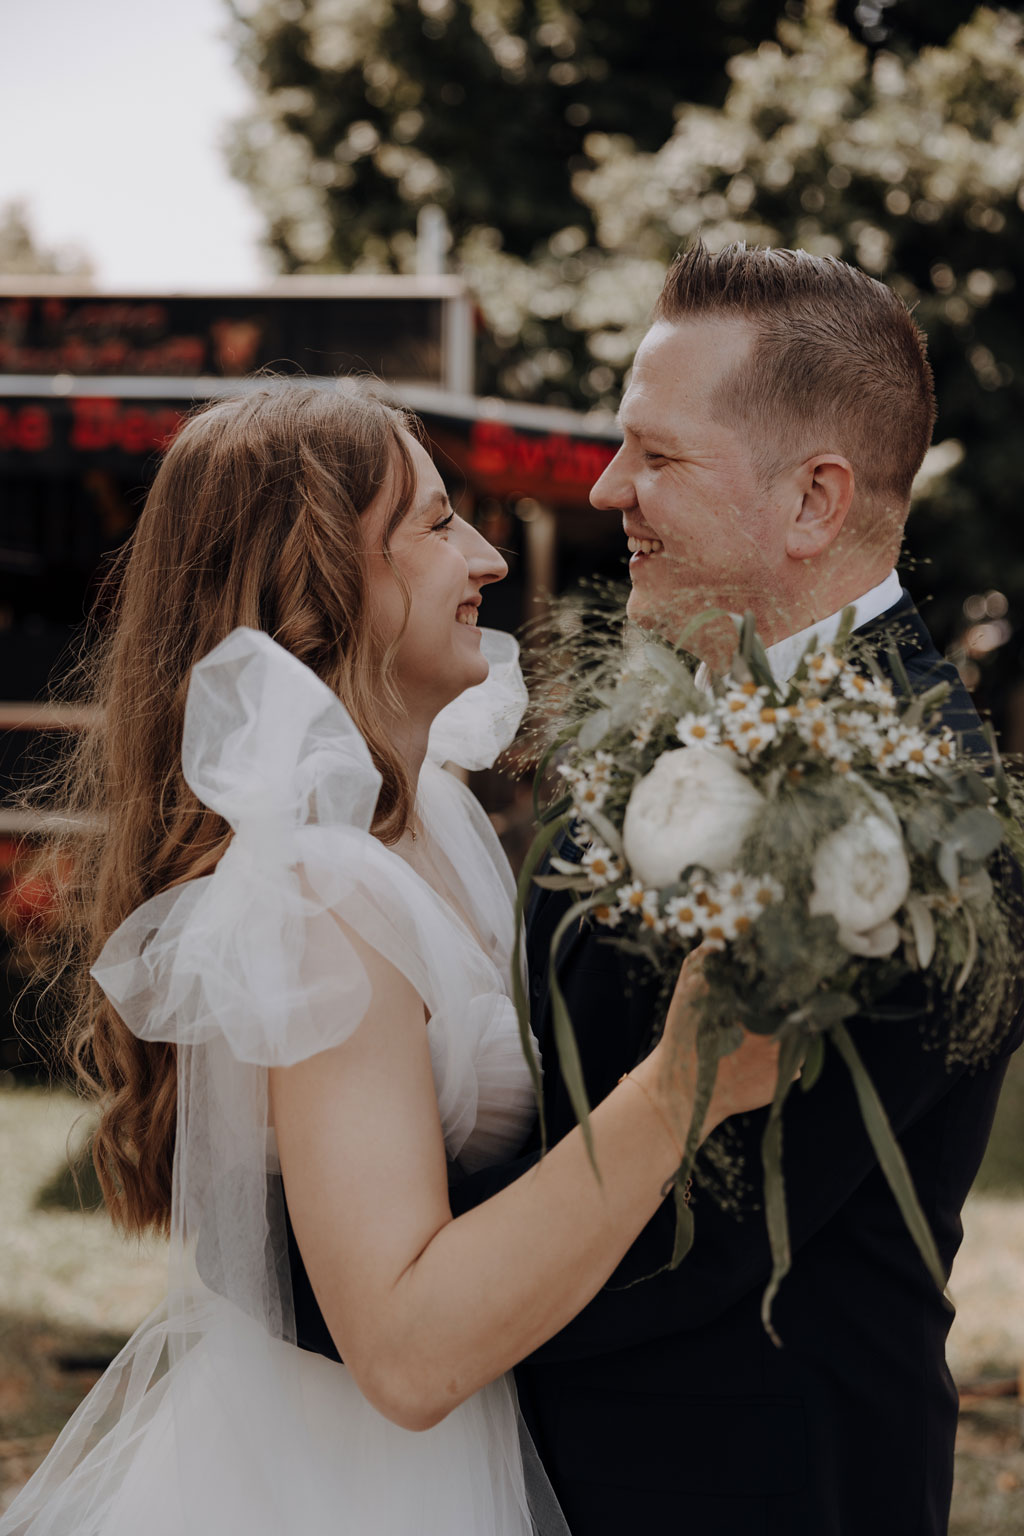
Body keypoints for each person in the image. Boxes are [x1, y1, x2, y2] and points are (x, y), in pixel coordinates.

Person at [1, 381, 780, 1536]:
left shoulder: (432, 823)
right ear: (319, 583)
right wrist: (680, 1085)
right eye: (432, 523)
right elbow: (406, 1356)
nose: (486, 558)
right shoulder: (324, 895)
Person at [445, 244, 1024, 1535]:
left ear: (814, 501)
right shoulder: (680, 711)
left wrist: (379, 1290)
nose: (609, 489)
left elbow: (697, 1246)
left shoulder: (921, 824)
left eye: (657, 456)